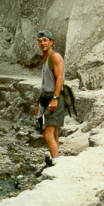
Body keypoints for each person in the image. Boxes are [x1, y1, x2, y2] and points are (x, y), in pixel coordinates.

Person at [35, 30, 65, 167]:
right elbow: (46, 84)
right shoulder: (46, 59)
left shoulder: (55, 57)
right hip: (47, 98)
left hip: (55, 98)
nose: (42, 43)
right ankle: (55, 159)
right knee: (54, 133)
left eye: (45, 40)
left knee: (48, 135)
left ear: (51, 42)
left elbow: (60, 79)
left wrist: (55, 98)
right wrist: (39, 104)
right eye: (40, 41)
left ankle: (56, 163)